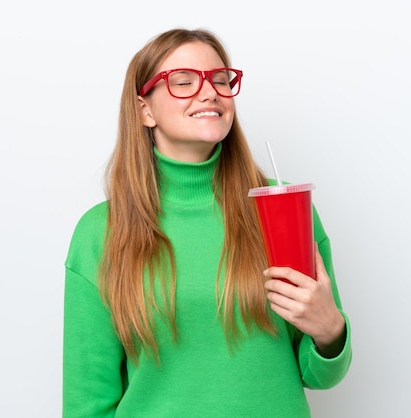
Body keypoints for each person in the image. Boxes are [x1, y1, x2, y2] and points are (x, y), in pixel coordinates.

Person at [63, 28, 352, 417]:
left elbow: (318, 375)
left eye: (220, 79)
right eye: (183, 81)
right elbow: (87, 405)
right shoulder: (100, 233)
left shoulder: (283, 210)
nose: (210, 91)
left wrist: (330, 331)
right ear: (144, 110)